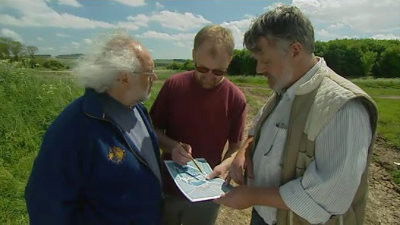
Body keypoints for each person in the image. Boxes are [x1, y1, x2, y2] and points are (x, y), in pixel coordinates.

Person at [215, 5, 378, 225]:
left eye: (265, 60)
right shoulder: (286, 90)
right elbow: (258, 130)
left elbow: (330, 196)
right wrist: (243, 152)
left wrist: (252, 196)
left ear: (295, 50)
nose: (258, 69)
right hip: (264, 217)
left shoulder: (342, 107)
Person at [25, 32, 162, 225]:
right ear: (124, 77)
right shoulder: (75, 126)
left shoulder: (138, 109)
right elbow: (46, 204)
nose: (154, 78)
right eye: (149, 72)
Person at [150, 25, 247, 225]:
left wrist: (224, 166)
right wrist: (172, 146)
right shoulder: (174, 85)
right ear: (194, 55)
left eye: (218, 71)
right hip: (167, 188)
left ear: (230, 61)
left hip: (207, 192)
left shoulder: (236, 98)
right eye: (202, 69)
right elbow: (153, 130)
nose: (209, 77)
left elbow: (236, 147)